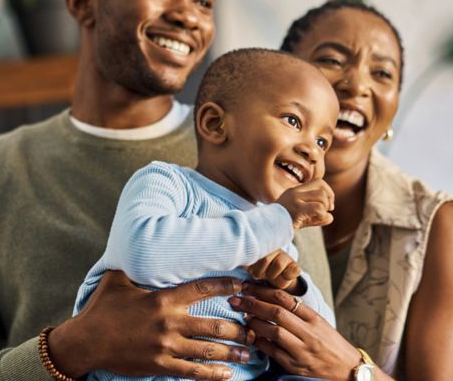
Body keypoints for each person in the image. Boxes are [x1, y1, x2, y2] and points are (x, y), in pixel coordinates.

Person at [0, 0, 332, 381]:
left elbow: (315, 351)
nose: (188, 15)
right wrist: (75, 348)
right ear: (81, 2)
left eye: (204, 1)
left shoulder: (265, 162)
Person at [230, 0, 453, 380]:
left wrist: (350, 369)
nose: (357, 85)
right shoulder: (235, 203)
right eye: (333, 60)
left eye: (382, 73)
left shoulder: (439, 228)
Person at [74, 49, 339, 380]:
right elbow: (142, 254)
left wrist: (295, 287)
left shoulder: (276, 237)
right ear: (215, 124)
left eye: (323, 142)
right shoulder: (168, 184)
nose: (311, 150)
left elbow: (320, 343)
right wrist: (281, 220)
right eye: (293, 121)